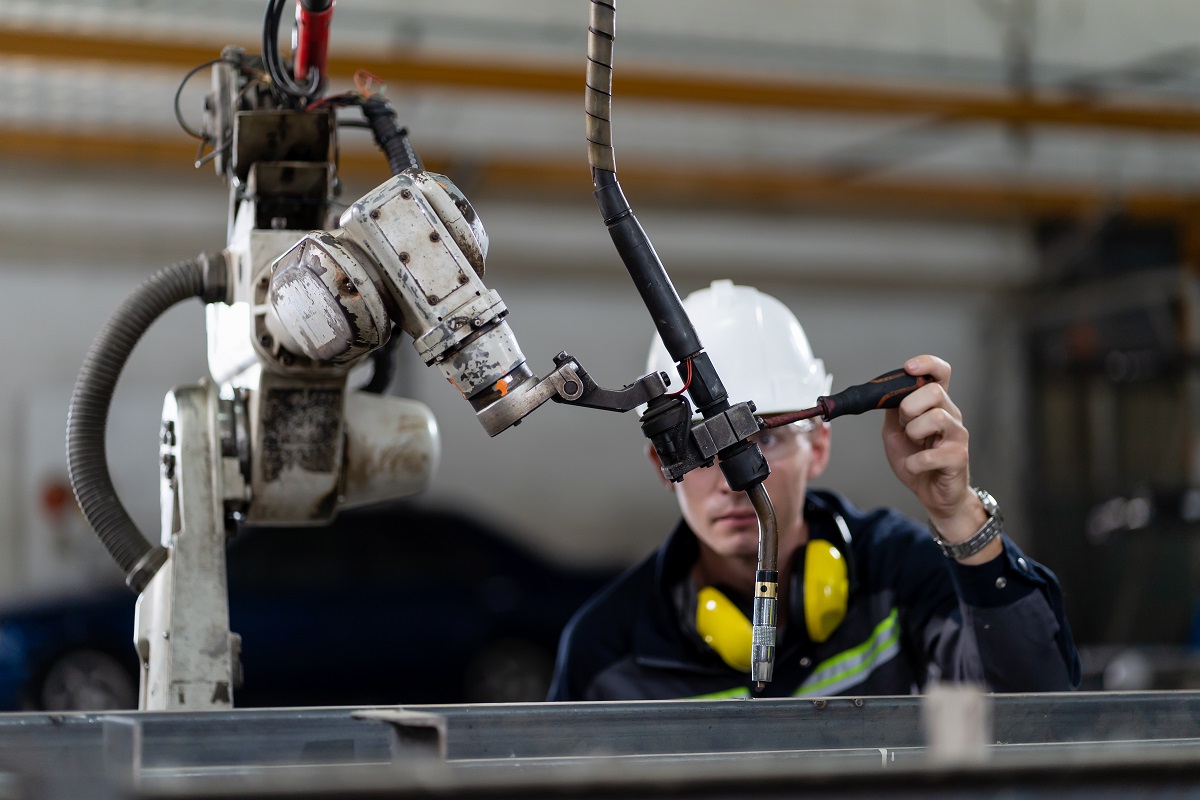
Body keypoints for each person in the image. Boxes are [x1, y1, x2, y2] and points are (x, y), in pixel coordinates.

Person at [547, 279, 1080, 701]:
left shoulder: (895, 574)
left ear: (818, 447)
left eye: (768, 439)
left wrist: (958, 512)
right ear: (663, 467)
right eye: (699, 451)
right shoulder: (604, 652)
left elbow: (1041, 712)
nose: (736, 481)